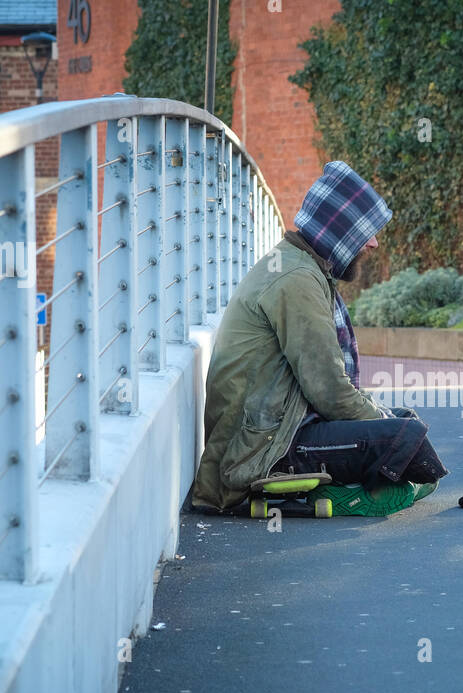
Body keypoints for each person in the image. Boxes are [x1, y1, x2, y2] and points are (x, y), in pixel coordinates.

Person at [191, 160, 448, 514]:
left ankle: (370, 477)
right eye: (365, 232)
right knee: (405, 439)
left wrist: (390, 420)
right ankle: (334, 498)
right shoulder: (296, 279)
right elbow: (331, 392)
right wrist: (392, 428)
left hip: (277, 429)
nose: (373, 244)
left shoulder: (300, 267)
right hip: (258, 452)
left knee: (404, 425)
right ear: (340, 233)